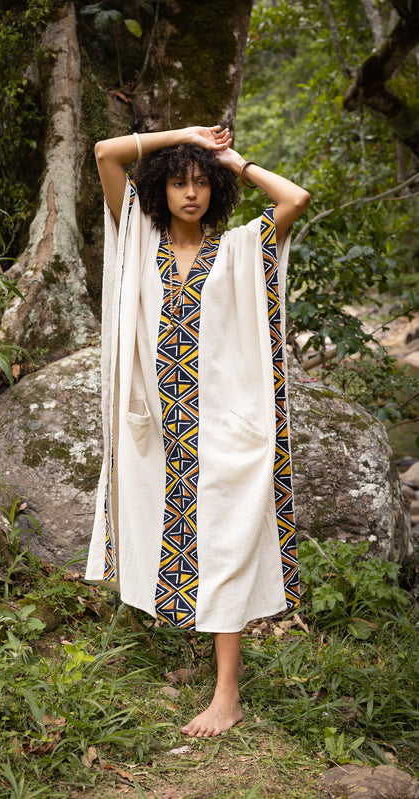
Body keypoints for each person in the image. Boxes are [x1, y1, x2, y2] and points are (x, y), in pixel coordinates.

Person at [85, 125, 310, 738]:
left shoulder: (237, 248)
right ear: (161, 188)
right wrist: (184, 135)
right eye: (180, 181)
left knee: (225, 544)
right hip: (158, 430)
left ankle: (226, 694)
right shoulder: (139, 237)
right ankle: (205, 669)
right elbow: (105, 153)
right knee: (172, 542)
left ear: (216, 190)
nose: (191, 193)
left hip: (222, 428)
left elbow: (294, 199)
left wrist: (232, 160)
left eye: (202, 182)